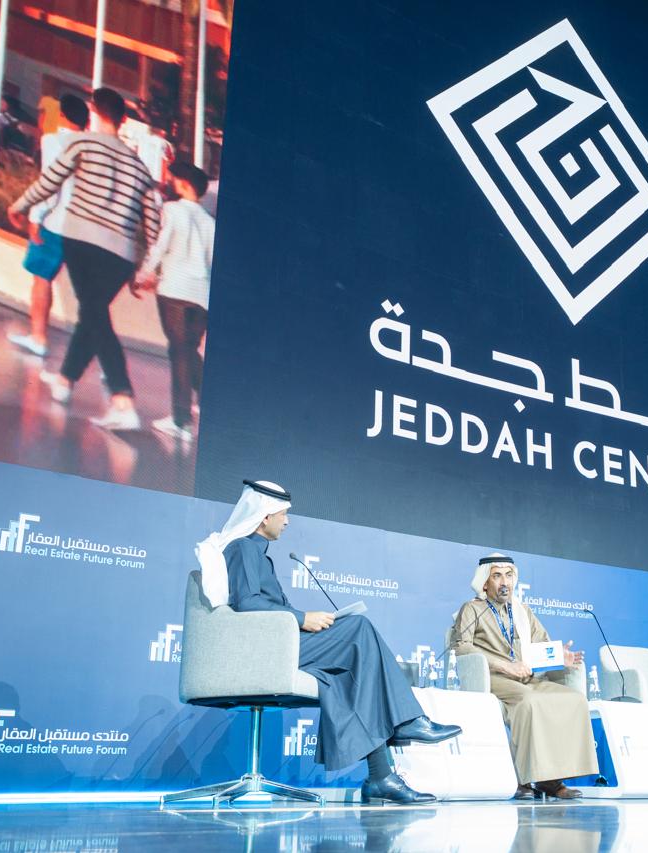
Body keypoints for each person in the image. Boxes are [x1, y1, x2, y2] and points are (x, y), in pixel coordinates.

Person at [196, 480, 462, 804]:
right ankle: (407, 721)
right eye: (283, 514)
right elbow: (248, 604)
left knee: (346, 675)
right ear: (265, 516)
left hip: (279, 643)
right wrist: (302, 618)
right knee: (359, 628)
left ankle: (381, 777)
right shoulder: (242, 548)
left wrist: (306, 621)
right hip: (266, 650)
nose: (287, 522)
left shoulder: (258, 554)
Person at [8, 88, 161, 431]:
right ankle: (65, 381)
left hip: (83, 240)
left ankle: (123, 399)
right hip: (122, 254)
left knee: (94, 314)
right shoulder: (140, 166)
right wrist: (148, 266)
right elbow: (152, 219)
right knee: (93, 312)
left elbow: (50, 180)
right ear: (123, 119)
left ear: (93, 111)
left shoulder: (82, 143)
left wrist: (20, 205)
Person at [449, 554, 597, 799]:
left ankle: (550, 779)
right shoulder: (472, 609)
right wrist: (504, 666)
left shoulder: (522, 611)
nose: (504, 582)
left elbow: (542, 646)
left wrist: (559, 657)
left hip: (527, 678)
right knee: (530, 702)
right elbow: (460, 647)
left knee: (574, 700)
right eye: (497, 576)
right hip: (494, 677)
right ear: (485, 582)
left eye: (509, 576)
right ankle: (521, 779)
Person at [134, 161, 213, 440]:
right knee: (188, 350)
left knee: (179, 351)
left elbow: (160, 246)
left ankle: (181, 421)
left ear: (184, 184)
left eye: (175, 179)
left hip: (175, 290)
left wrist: (143, 273)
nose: (171, 182)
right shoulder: (211, 222)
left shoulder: (172, 210)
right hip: (202, 295)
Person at [7, 94, 89, 358]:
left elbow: (50, 185)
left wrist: (35, 217)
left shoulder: (53, 141)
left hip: (55, 223)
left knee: (42, 279)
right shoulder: (90, 148)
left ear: (62, 115)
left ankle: (38, 337)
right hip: (82, 228)